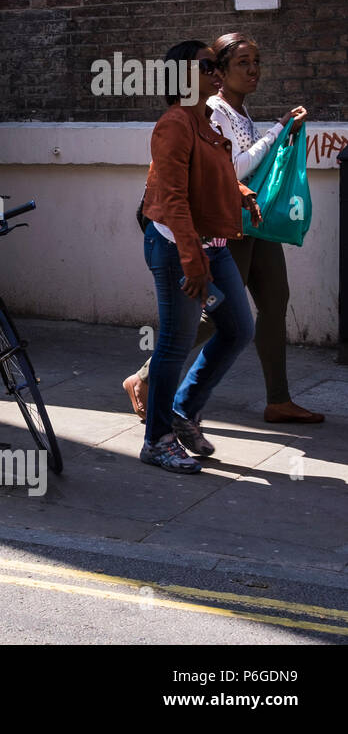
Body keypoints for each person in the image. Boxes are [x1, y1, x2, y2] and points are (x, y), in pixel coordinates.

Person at [121, 33, 323, 425]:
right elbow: (207, 179)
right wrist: (279, 129)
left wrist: (244, 191)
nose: (252, 70)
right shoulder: (201, 114)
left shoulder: (230, 113)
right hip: (215, 231)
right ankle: (152, 392)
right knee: (215, 320)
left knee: (270, 304)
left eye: (257, 61)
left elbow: (225, 172)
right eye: (238, 63)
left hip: (246, 222)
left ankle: (275, 399)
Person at [139, 39, 259, 473]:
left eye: (214, 64)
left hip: (212, 244)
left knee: (239, 329)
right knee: (173, 344)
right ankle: (156, 439)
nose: (215, 70)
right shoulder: (174, 123)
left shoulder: (205, 118)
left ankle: (184, 410)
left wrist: (242, 194)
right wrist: (192, 262)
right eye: (205, 65)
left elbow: (214, 172)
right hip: (177, 247)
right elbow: (173, 198)